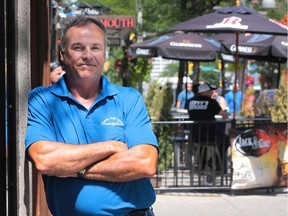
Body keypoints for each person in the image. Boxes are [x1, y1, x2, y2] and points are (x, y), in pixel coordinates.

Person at [25, 16, 158, 216]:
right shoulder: (43, 100)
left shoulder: (129, 99)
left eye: (95, 48)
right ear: (63, 54)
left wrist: (71, 168)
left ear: (104, 55)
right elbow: (45, 160)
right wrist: (110, 146)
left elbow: (144, 163)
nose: (88, 55)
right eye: (78, 47)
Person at [187, 83, 229, 172]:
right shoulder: (211, 102)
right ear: (206, 92)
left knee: (203, 146)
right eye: (210, 91)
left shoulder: (190, 101)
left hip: (195, 135)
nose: (212, 93)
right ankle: (212, 162)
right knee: (226, 139)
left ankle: (202, 165)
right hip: (210, 134)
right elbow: (224, 115)